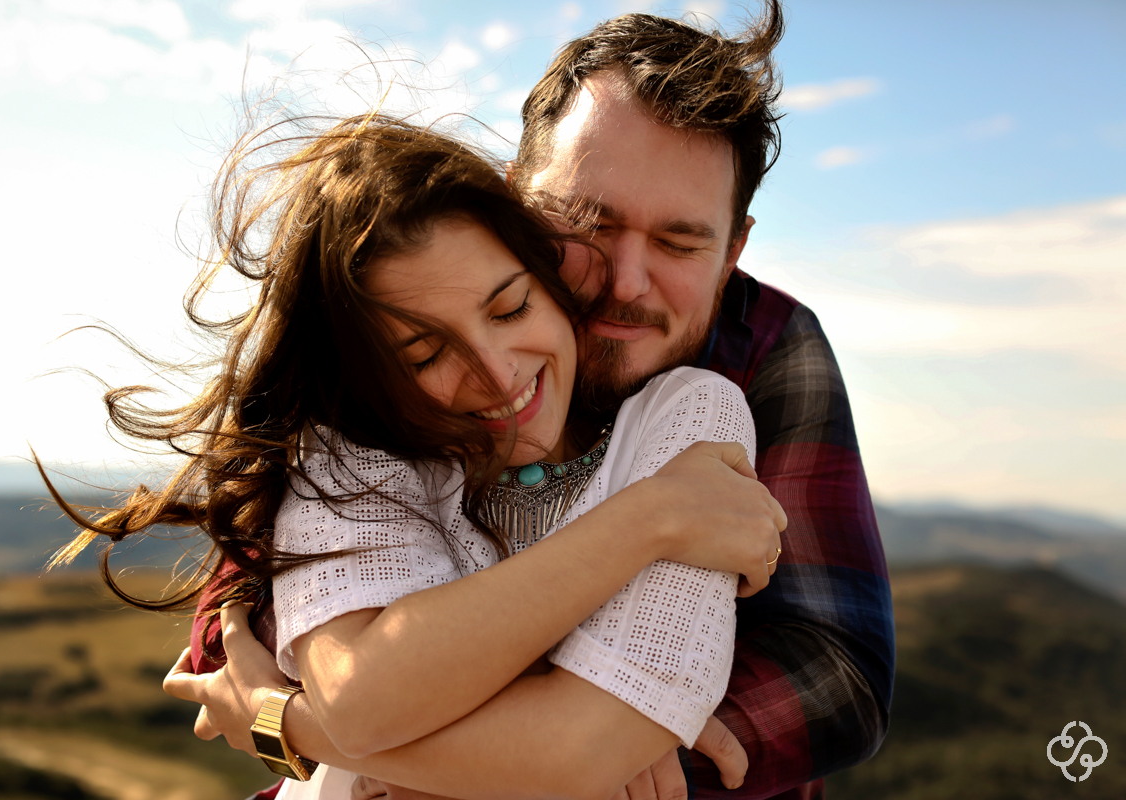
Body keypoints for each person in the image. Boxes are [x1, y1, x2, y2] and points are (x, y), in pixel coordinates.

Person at [179, 4, 895, 799]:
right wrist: (297, 688)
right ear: (518, 196)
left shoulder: (761, 355)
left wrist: (637, 747)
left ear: (733, 250)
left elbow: (838, 672)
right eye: (588, 221)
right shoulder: (399, 337)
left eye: (679, 242)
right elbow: (249, 599)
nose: (626, 280)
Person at [44, 111, 785, 797]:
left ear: (545, 274)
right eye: (427, 351)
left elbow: (578, 751)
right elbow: (368, 700)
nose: (496, 373)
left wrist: (284, 721)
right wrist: (649, 520)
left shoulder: (691, 417)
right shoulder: (353, 458)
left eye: (510, 307)